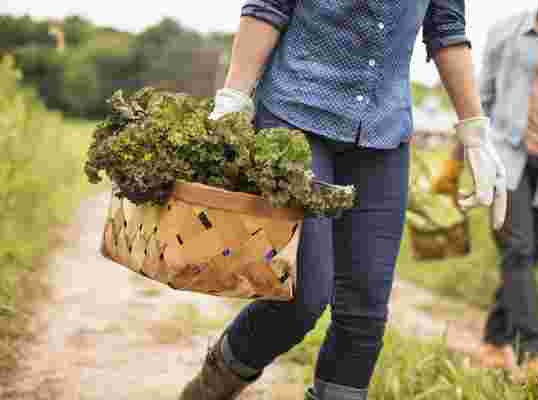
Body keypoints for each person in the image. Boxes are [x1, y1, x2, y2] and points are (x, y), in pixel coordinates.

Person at [180, 1, 507, 399]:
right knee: (300, 298)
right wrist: (234, 95)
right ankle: (208, 390)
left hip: (382, 133)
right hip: (295, 117)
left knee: (364, 313)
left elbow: (447, 30)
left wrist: (474, 131)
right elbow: (268, 8)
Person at [432, 0, 538, 374]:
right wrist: (455, 160)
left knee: (524, 257)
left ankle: (494, 339)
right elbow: (480, 103)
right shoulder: (506, 32)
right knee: (519, 250)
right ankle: (533, 354)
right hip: (504, 161)